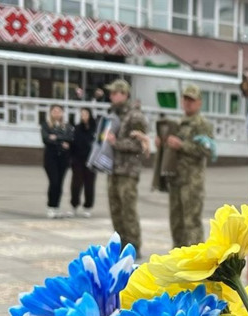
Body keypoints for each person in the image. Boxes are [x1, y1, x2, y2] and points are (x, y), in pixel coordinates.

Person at [156, 84, 215, 248]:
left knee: (192, 223)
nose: (188, 103)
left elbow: (207, 150)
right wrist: (162, 143)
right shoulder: (178, 123)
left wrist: (182, 145)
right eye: (185, 99)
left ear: (199, 103)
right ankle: (178, 263)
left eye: (192, 100)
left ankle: (197, 265)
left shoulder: (202, 125)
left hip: (192, 182)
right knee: (176, 223)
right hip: (176, 180)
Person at [104, 79, 149, 255]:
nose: (111, 96)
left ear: (124, 94)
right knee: (115, 209)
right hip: (113, 169)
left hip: (128, 171)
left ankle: (133, 246)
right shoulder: (113, 114)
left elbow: (140, 145)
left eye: (115, 93)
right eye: (111, 93)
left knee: (128, 209)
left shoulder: (135, 116)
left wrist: (117, 143)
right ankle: (120, 244)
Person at [41, 105, 74, 219]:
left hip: (63, 158)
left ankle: (57, 207)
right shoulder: (46, 125)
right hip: (51, 158)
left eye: (59, 111)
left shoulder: (67, 126)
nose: (56, 113)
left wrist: (56, 137)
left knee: (60, 183)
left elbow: (70, 138)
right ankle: (50, 206)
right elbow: (46, 139)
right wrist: (61, 142)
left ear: (62, 113)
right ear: (50, 113)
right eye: (54, 111)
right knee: (54, 182)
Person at [70, 107, 97, 217]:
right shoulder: (77, 128)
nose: (83, 116)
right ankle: (74, 205)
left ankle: (88, 206)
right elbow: (73, 144)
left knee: (89, 184)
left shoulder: (95, 129)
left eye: (85, 114)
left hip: (91, 161)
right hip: (78, 160)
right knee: (76, 184)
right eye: (82, 114)